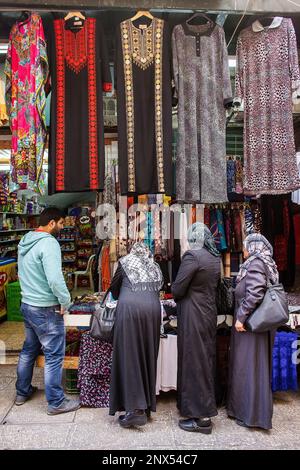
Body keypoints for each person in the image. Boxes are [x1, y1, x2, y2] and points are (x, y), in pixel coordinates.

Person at [16, 207, 81, 415]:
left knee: (28, 350)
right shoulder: (49, 243)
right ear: (52, 223)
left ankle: (22, 392)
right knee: (54, 355)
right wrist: (65, 300)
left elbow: (20, 273)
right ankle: (56, 402)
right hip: (45, 308)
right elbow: (54, 279)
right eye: (61, 223)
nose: (62, 227)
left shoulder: (25, 240)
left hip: (27, 304)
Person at [171, 222, 221, 434]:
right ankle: (198, 410)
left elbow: (177, 289)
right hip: (208, 314)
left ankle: (201, 418)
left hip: (193, 315)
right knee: (204, 361)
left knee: (193, 363)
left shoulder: (193, 257)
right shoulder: (214, 258)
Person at [227, 233, 279, 430]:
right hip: (257, 324)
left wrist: (241, 316)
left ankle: (252, 414)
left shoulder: (257, 263)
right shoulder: (266, 262)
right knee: (253, 367)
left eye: (246, 245)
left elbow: (255, 292)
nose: (244, 249)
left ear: (255, 247)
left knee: (249, 368)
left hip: (252, 325)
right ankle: (247, 411)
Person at [109, 242, 163, 428]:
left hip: (130, 311)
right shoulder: (153, 265)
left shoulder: (125, 263)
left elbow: (114, 290)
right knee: (148, 355)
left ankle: (135, 411)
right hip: (153, 312)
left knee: (130, 356)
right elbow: (158, 288)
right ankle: (146, 405)